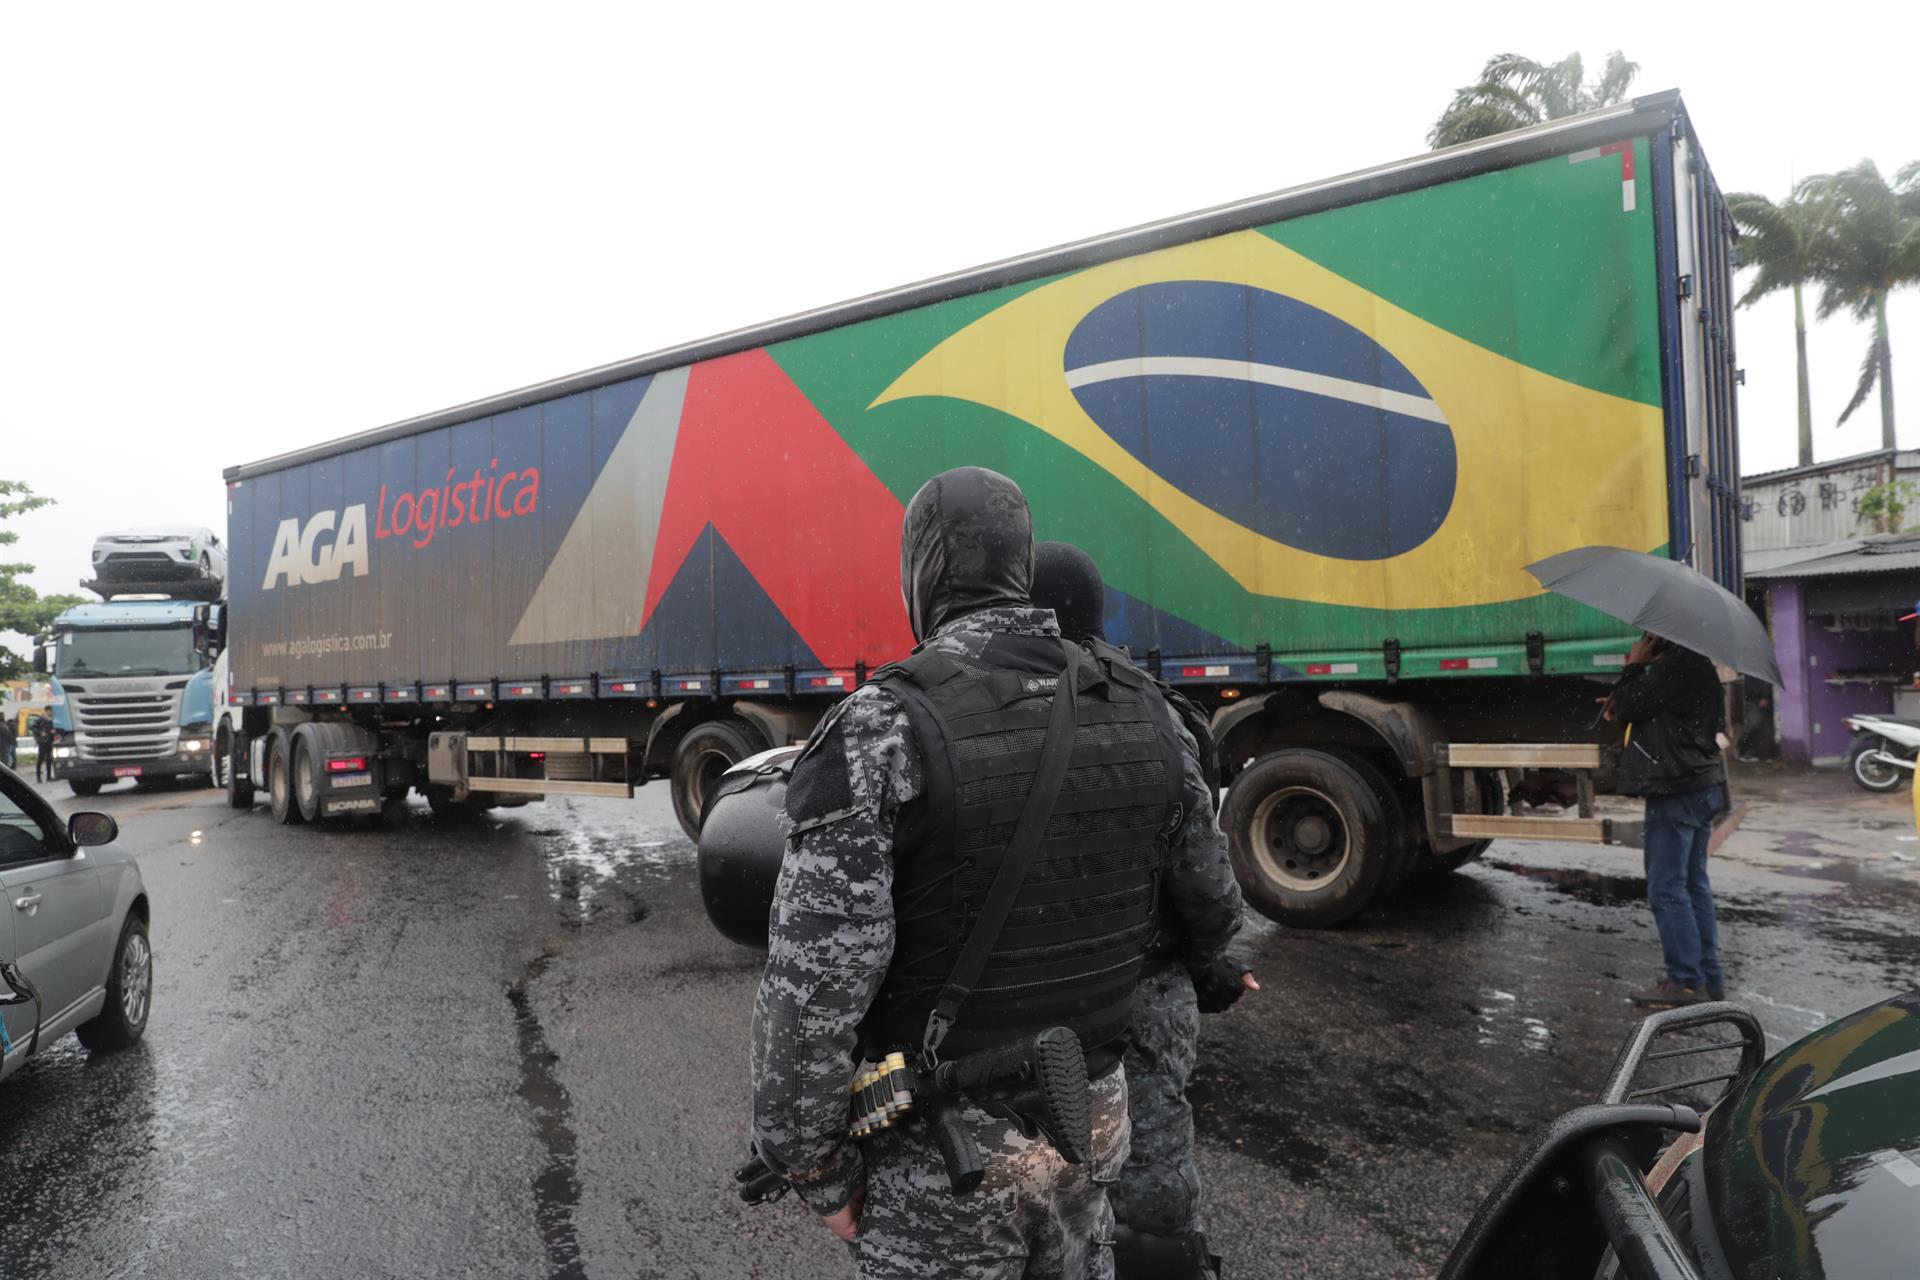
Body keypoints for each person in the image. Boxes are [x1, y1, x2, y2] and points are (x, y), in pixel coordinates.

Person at [750, 468, 1244, 1280]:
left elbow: (812, 994)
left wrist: (814, 1171)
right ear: (1021, 565)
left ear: (924, 576)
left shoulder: (881, 726)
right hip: (1093, 1119)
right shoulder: (1149, 711)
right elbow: (1213, 905)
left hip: (946, 1158)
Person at [1030, 541, 1255, 1280]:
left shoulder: (979, 716)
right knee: (1150, 1174)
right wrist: (1208, 961)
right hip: (1141, 994)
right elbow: (1211, 896)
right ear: (1098, 613)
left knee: (1028, 1180)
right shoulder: (1156, 714)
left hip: (1019, 1005)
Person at [1605, 632, 1728, 1008]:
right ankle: (1707, 977)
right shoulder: (1699, 664)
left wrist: (1634, 664)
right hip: (1701, 783)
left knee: (1667, 887)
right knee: (1692, 884)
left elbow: (1627, 706)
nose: (1647, 636)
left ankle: (1685, 982)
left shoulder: (1676, 664)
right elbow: (1655, 710)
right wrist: (1635, 692)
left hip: (1676, 788)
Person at [32, 716, 54, 783]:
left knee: (49, 759)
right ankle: (38, 778)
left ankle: (49, 777)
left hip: (49, 742)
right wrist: (40, 733)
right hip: (42, 742)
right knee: (40, 759)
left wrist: (53, 732)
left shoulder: (52, 720)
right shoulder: (41, 719)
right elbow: (33, 727)